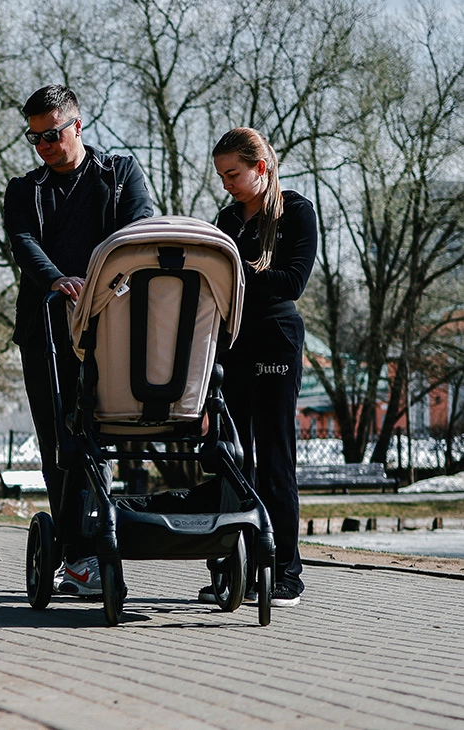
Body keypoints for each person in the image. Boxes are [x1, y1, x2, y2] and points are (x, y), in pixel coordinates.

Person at [3, 84, 155, 595]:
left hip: (110, 326)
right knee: (60, 444)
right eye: (34, 137)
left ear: (78, 125)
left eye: (52, 134)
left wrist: (106, 282)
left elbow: (139, 231)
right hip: (45, 330)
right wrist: (56, 280)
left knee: (101, 436)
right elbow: (23, 241)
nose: (44, 145)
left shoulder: (119, 174)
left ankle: (99, 543)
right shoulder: (25, 190)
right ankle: (76, 554)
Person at [201, 127, 316, 608]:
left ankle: (285, 572)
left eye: (233, 173)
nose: (226, 183)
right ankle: (233, 570)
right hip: (230, 344)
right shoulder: (226, 218)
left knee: (273, 459)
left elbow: (290, 282)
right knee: (230, 458)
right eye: (220, 175)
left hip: (274, 340)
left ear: (260, 167)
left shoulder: (297, 211)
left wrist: (234, 271)